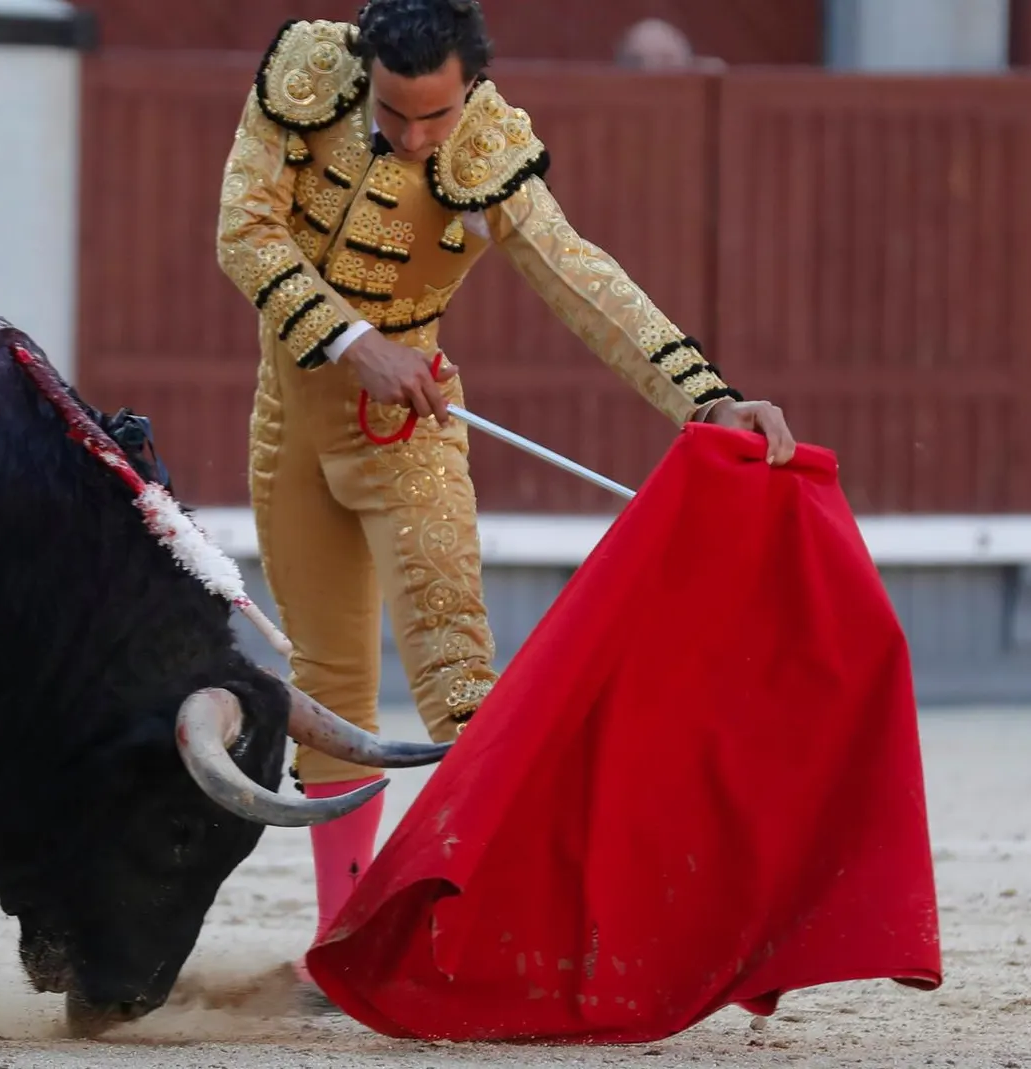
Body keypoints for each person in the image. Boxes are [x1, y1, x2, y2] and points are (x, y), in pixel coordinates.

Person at [213, 0, 798, 999]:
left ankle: (489, 927)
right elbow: (245, 234)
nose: (413, 137)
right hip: (290, 418)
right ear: (363, 71)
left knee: (458, 681)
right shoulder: (307, 76)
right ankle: (343, 935)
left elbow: (585, 284)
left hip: (410, 432)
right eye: (394, 116)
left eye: (433, 118)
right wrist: (359, 345)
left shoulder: (487, 151)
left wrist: (707, 399)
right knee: (329, 685)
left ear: (470, 88)